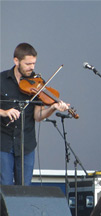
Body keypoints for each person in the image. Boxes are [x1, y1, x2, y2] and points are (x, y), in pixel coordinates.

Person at [0, 42, 69, 185]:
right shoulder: (1, 80)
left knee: (25, 188)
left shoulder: (37, 82)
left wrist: (52, 108)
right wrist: (4, 112)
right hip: (4, 142)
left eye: (34, 63)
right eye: (28, 64)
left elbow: (38, 116)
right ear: (16, 61)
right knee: (4, 187)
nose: (32, 67)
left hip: (26, 143)